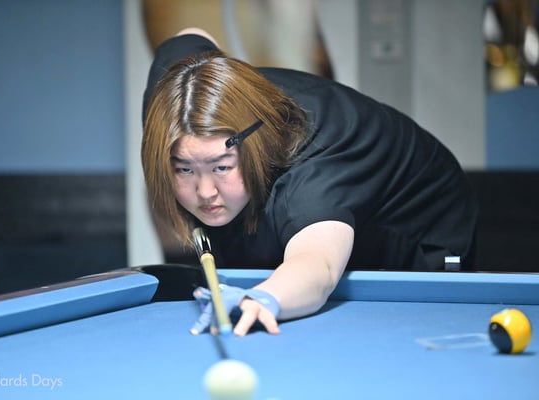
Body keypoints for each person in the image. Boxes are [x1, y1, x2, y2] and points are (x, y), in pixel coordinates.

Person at [141, 27, 478, 336]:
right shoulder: (177, 103)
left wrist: (263, 297)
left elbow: (318, 266)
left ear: (253, 150)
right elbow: (191, 34)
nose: (205, 192)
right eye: (185, 170)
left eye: (221, 167)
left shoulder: (311, 177)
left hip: (416, 229)